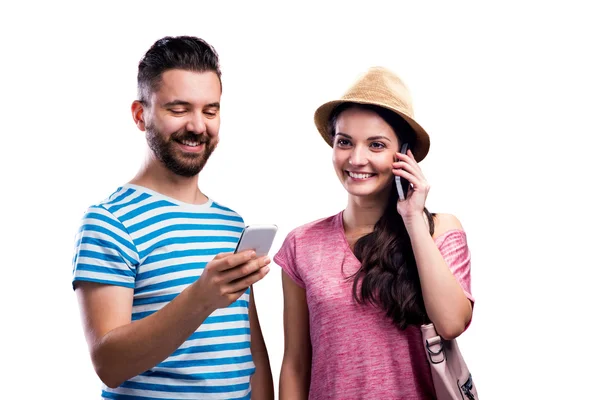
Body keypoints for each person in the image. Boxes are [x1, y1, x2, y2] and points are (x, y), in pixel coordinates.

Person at [72, 36, 274, 400]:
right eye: (179, 109)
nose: (198, 126)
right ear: (140, 115)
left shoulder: (231, 224)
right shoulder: (109, 221)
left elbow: (251, 355)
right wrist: (201, 298)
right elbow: (109, 364)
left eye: (210, 110)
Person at [275, 67, 475, 399]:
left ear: (404, 155)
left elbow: (452, 323)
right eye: (344, 142)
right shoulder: (301, 244)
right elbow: (296, 363)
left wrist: (412, 220)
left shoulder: (439, 231)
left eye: (376, 145)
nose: (357, 158)